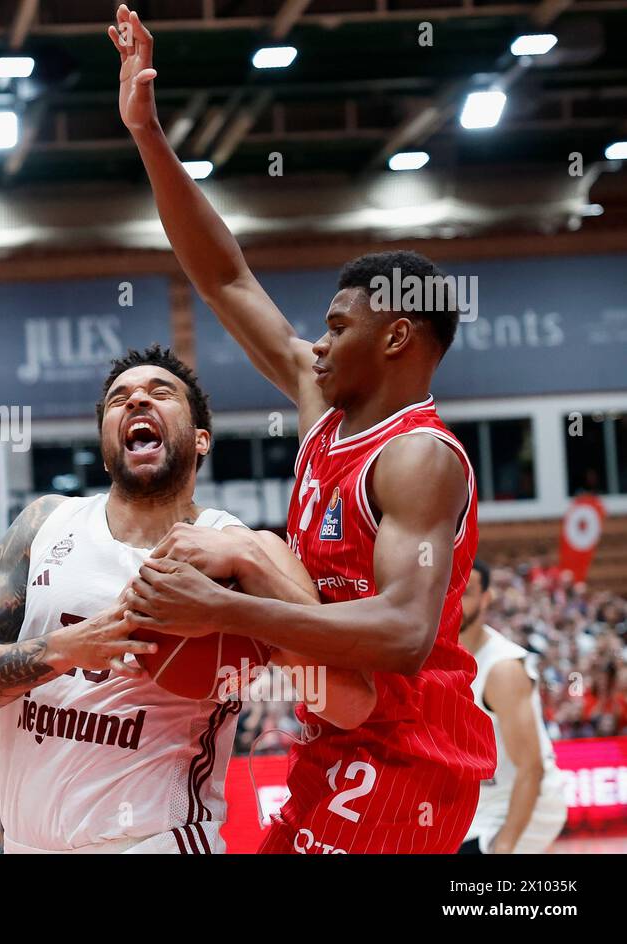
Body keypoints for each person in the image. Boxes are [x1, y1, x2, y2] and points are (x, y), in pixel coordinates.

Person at [110, 5, 495, 853]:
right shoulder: (324, 407)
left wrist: (226, 596)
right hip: (337, 730)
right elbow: (223, 277)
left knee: (253, 546)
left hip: (407, 755)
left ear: (397, 337)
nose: (316, 342)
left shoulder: (419, 459)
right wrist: (148, 136)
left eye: (337, 325)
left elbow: (400, 635)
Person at [0, 345, 373, 853]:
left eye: (161, 393)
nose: (137, 399)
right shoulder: (44, 525)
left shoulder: (245, 548)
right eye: (120, 398)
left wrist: (245, 580)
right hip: (28, 844)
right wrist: (64, 649)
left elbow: (349, 702)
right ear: (104, 446)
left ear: (201, 439)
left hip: (160, 841)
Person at [458, 561, 568, 853]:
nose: (454, 600)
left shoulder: (502, 670)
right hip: (476, 803)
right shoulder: (435, 655)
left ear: (486, 598)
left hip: (522, 802)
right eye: (448, 590)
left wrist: (506, 844)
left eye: (465, 592)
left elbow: (531, 769)